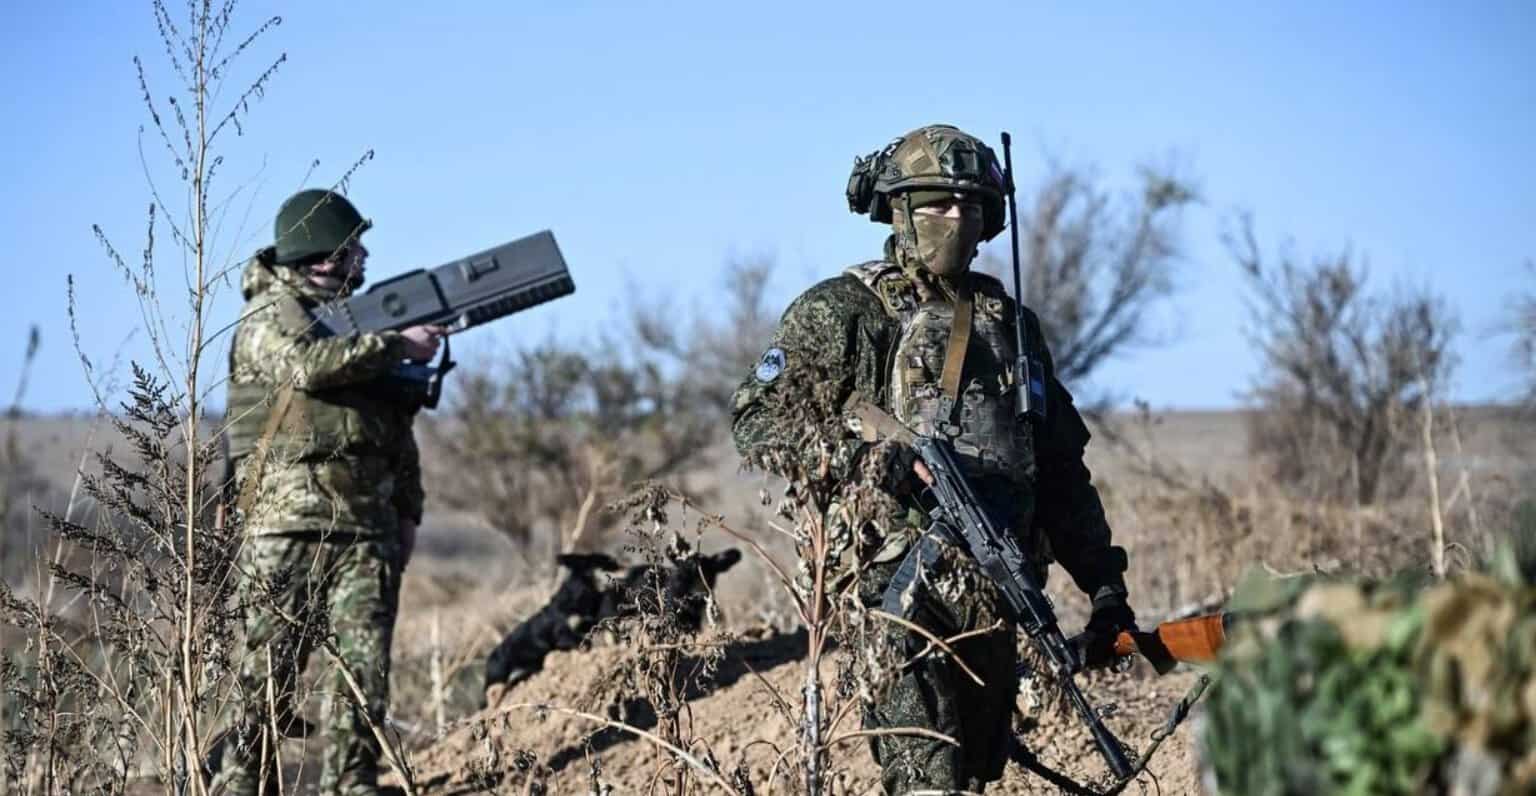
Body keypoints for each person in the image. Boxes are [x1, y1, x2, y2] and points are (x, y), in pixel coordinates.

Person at [730, 124, 1138, 793]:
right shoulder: (843, 311)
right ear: (897, 209)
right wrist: (862, 457)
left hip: (992, 592)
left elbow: (1060, 469)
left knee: (975, 774)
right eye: (937, 204)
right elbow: (757, 419)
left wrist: (1104, 588)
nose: (955, 219)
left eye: (969, 206)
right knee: (928, 779)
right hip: (892, 596)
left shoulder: (1011, 326)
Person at [216, 189, 445, 795]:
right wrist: (398, 345)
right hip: (283, 529)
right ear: (322, 258)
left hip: (365, 529)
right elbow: (307, 367)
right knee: (267, 675)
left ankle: (351, 783)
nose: (363, 258)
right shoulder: (268, 317)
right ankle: (244, 784)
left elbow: (395, 435)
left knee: (362, 674)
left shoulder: (359, 334)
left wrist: (407, 512)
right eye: (352, 250)